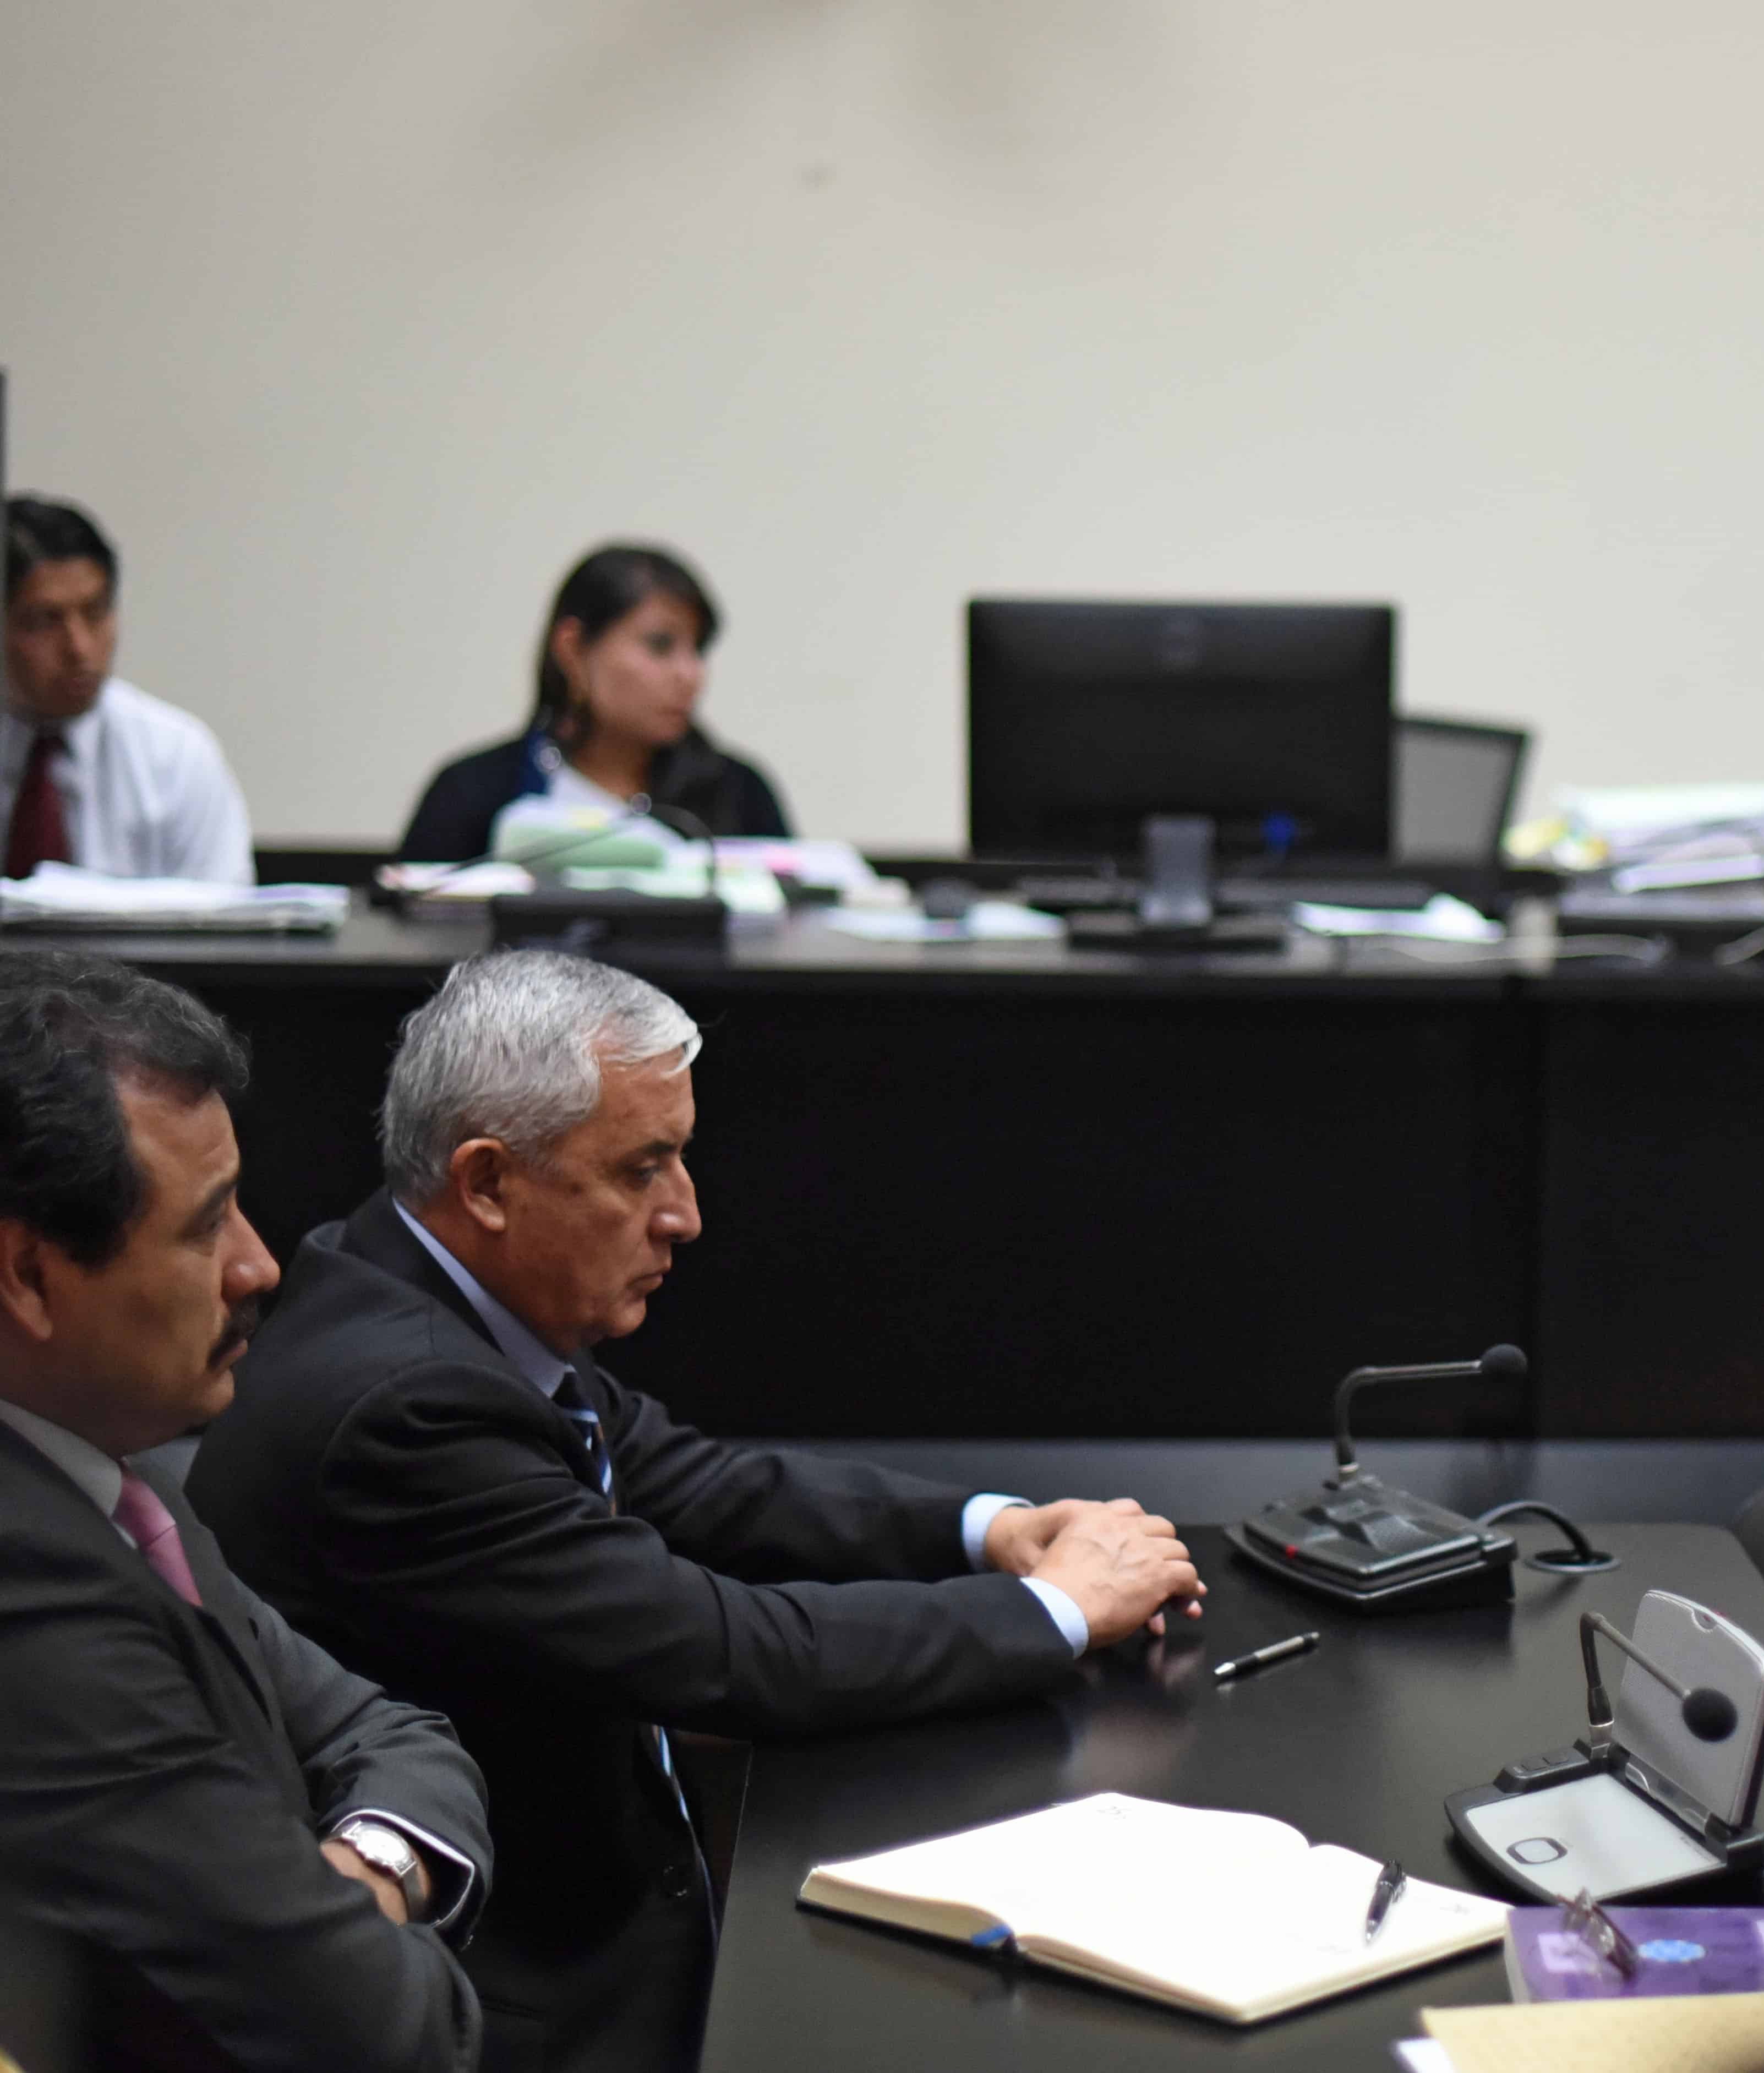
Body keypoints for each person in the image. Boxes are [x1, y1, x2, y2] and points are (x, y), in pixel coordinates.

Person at [189, 949, 1203, 2073]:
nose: (687, 1214)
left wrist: (989, 1526)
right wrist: (1054, 1607)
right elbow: (726, 1652)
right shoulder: (405, 1405)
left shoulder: (407, 1280)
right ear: (486, 1181)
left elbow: (694, 1478)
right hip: (528, 2000)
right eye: (643, 1167)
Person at [0, 950, 491, 2072]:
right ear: (27, 1272)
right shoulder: (31, 1587)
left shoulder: (113, 1485)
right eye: (203, 1224)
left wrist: (364, 1870)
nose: (259, 1264)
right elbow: (387, 2031)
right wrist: (353, 1936)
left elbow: (391, 1728)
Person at [396, 545, 790, 861]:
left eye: (698, 649)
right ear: (573, 650)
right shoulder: (474, 792)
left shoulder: (740, 793)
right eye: (660, 645)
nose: (690, 674)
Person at [2, 499, 254, 884]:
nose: (80, 648)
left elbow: (222, 924)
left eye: (96, 612)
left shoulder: (175, 756)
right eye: (44, 621)